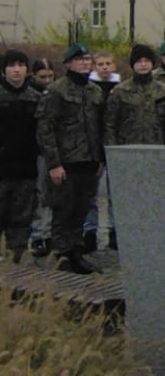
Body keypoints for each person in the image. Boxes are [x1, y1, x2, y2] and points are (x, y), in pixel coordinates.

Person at [35, 43, 105, 274]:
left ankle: (75, 252)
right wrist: (54, 164)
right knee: (63, 210)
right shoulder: (57, 90)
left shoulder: (95, 91)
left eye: (87, 59)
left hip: (89, 161)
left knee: (81, 209)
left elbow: (100, 126)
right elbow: (45, 128)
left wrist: (100, 159)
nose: (84, 63)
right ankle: (61, 255)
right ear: (68, 63)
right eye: (79, 59)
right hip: (66, 162)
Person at [103, 43, 165, 250]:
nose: (143, 65)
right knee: (127, 197)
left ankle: (154, 234)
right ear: (132, 65)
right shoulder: (120, 92)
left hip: (156, 151)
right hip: (128, 152)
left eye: (146, 61)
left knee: (154, 196)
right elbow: (109, 124)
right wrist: (112, 153)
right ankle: (121, 234)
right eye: (139, 61)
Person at [0, 50, 43, 263]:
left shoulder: (36, 98)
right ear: (4, 69)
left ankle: (15, 269)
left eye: (21, 65)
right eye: (11, 65)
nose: (16, 69)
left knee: (21, 222)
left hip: (26, 172)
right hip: (1, 172)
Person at [83, 49, 119, 253]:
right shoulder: (88, 89)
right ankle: (90, 232)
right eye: (100, 64)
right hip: (93, 148)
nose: (104, 67)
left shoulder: (120, 88)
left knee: (115, 195)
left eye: (108, 63)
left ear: (114, 65)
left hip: (114, 146)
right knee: (92, 194)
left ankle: (114, 232)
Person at [29, 58, 56, 258]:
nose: (47, 80)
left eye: (50, 76)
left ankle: (48, 233)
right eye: (42, 77)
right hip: (33, 151)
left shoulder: (56, 94)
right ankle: (39, 234)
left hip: (52, 151)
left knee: (50, 195)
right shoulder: (31, 95)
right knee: (39, 195)